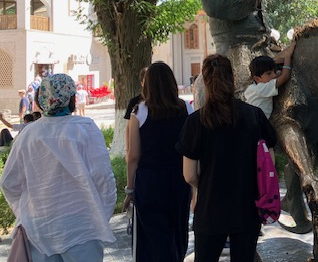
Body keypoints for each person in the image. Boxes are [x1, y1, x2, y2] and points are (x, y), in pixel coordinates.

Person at [0, 73, 116, 261]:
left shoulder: (28, 134)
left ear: (41, 100)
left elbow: (8, 183)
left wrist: (26, 213)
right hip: (82, 226)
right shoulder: (85, 128)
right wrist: (101, 215)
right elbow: (103, 176)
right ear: (71, 98)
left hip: (39, 230)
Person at [177, 54, 277, 262]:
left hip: (209, 209)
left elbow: (189, 175)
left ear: (205, 82)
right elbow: (270, 161)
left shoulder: (196, 121)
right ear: (232, 78)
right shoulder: (254, 116)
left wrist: (204, 186)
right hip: (247, 208)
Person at [124, 62, 193, 262]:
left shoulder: (139, 111)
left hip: (150, 180)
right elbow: (191, 148)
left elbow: (133, 156)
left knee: (152, 234)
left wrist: (130, 189)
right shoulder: (186, 108)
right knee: (177, 228)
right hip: (179, 177)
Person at [245, 42, 295, 119]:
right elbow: (285, 76)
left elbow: (276, 74)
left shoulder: (252, 88)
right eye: (269, 73)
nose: (274, 75)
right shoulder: (262, 88)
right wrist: (287, 56)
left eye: (274, 71)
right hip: (258, 124)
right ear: (257, 78)